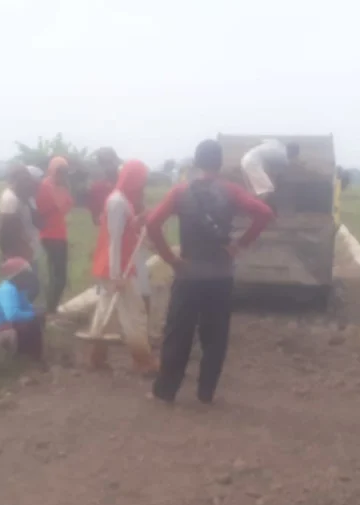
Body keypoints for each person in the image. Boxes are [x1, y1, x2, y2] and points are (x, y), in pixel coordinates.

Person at [145, 139, 275, 404]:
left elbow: (152, 223)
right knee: (215, 336)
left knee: (177, 333)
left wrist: (170, 258)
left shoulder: (180, 192)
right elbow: (264, 213)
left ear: (196, 162)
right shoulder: (231, 191)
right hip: (221, 275)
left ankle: (165, 392)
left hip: (188, 274)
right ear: (220, 163)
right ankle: (206, 393)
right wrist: (240, 244)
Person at [87, 159, 158, 374]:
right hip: (117, 268)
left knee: (104, 311)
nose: (143, 185)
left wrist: (138, 221)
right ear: (133, 179)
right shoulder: (118, 202)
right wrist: (117, 275)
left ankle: (96, 356)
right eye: (141, 180)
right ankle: (142, 361)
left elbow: (125, 229)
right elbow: (114, 239)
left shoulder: (122, 200)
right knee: (134, 314)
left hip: (115, 266)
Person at [0, 257, 45, 362]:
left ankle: (30, 358)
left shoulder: (20, 291)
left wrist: (37, 311)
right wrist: (33, 314)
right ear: (18, 276)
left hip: (2, 328)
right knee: (31, 323)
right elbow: (12, 315)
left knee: (35, 321)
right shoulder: (8, 290)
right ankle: (23, 359)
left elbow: (26, 307)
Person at [0, 165, 42, 300]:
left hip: (27, 252)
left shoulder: (23, 197)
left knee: (29, 290)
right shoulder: (10, 199)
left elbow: (37, 221)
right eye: (23, 180)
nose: (27, 183)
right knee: (19, 292)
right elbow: (4, 233)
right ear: (14, 181)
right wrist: (11, 257)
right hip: (17, 255)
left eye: (28, 179)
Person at [36, 156, 74, 314]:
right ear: (52, 170)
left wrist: (64, 189)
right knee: (59, 277)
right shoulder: (46, 186)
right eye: (59, 171)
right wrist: (62, 191)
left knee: (57, 276)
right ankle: (49, 311)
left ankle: (50, 309)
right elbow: (57, 206)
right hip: (50, 236)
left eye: (65, 172)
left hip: (59, 235)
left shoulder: (61, 186)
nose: (62, 175)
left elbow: (66, 207)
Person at [240, 138, 300, 211]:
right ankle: (258, 210)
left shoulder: (276, 143)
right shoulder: (283, 158)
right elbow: (276, 174)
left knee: (254, 191)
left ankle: (246, 208)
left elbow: (259, 141)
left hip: (245, 158)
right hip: (253, 163)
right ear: (292, 152)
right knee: (267, 188)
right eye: (294, 155)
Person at [87, 148, 121, 227]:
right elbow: (95, 219)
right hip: (107, 233)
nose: (108, 167)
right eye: (104, 163)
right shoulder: (96, 188)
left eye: (110, 163)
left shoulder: (126, 185)